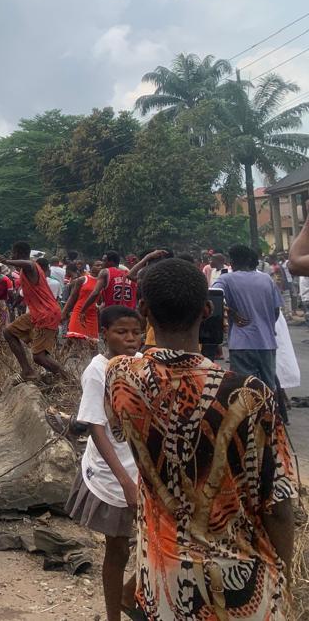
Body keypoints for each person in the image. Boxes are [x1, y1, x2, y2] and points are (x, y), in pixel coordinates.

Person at [106, 259, 295, 620]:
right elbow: (279, 507)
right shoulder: (249, 395)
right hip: (243, 588)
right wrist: (283, 584)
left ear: (143, 311)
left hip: (164, 585)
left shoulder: (119, 376)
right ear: (208, 311)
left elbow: (121, 425)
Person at [65, 305, 142, 621]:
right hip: (115, 471)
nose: (131, 339)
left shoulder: (140, 364)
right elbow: (96, 427)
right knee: (119, 547)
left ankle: (130, 593)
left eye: (136, 332)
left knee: (163, 543)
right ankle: (114, 614)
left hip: (142, 467)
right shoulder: (98, 370)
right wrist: (125, 480)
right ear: (104, 334)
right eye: (122, 332)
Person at [211, 244, 284, 398]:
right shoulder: (266, 279)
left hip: (242, 343)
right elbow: (276, 311)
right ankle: (270, 419)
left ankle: (249, 421)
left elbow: (212, 297)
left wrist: (230, 312)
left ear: (232, 261)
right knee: (268, 389)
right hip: (267, 343)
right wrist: (266, 326)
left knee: (243, 390)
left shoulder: (226, 279)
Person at [0, 242, 63, 382]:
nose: (11, 257)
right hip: (37, 313)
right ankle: (27, 372)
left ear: (18, 254)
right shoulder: (25, 271)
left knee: (39, 357)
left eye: (13, 254)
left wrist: (6, 261)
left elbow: (28, 264)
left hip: (47, 313)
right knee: (8, 332)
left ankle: (68, 380)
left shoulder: (31, 266)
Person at [80, 251, 136, 316]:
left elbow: (95, 293)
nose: (102, 264)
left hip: (112, 314)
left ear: (111, 262)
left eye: (104, 261)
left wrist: (83, 310)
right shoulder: (130, 274)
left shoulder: (105, 272)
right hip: (130, 315)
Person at [62, 259, 100, 345]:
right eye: (97, 265)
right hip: (79, 311)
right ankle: (61, 356)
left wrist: (98, 307)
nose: (100, 267)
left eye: (102, 266)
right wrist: (64, 312)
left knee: (93, 342)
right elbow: (72, 297)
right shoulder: (83, 279)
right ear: (91, 267)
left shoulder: (102, 282)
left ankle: (92, 358)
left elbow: (101, 299)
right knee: (73, 338)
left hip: (92, 314)